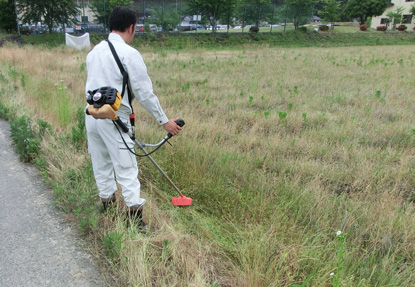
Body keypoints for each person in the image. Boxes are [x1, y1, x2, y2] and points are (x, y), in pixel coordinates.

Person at [85, 6, 181, 226]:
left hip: (91, 115)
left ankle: (108, 212)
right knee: (127, 168)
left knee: (101, 164)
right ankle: (136, 225)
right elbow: (145, 94)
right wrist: (164, 121)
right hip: (114, 118)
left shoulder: (94, 52)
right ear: (131, 27)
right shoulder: (129, 53)